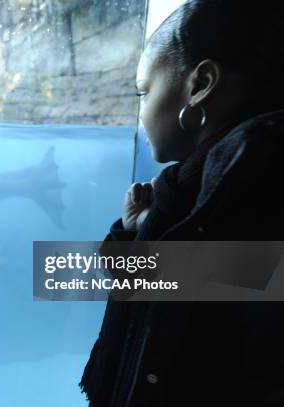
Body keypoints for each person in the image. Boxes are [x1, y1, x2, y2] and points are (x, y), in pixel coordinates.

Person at [79, 1, 284, 405]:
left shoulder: (255, 183)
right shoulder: (190, 191)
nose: (141, 111)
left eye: (144, 91)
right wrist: (141, 230)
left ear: (200, 84)